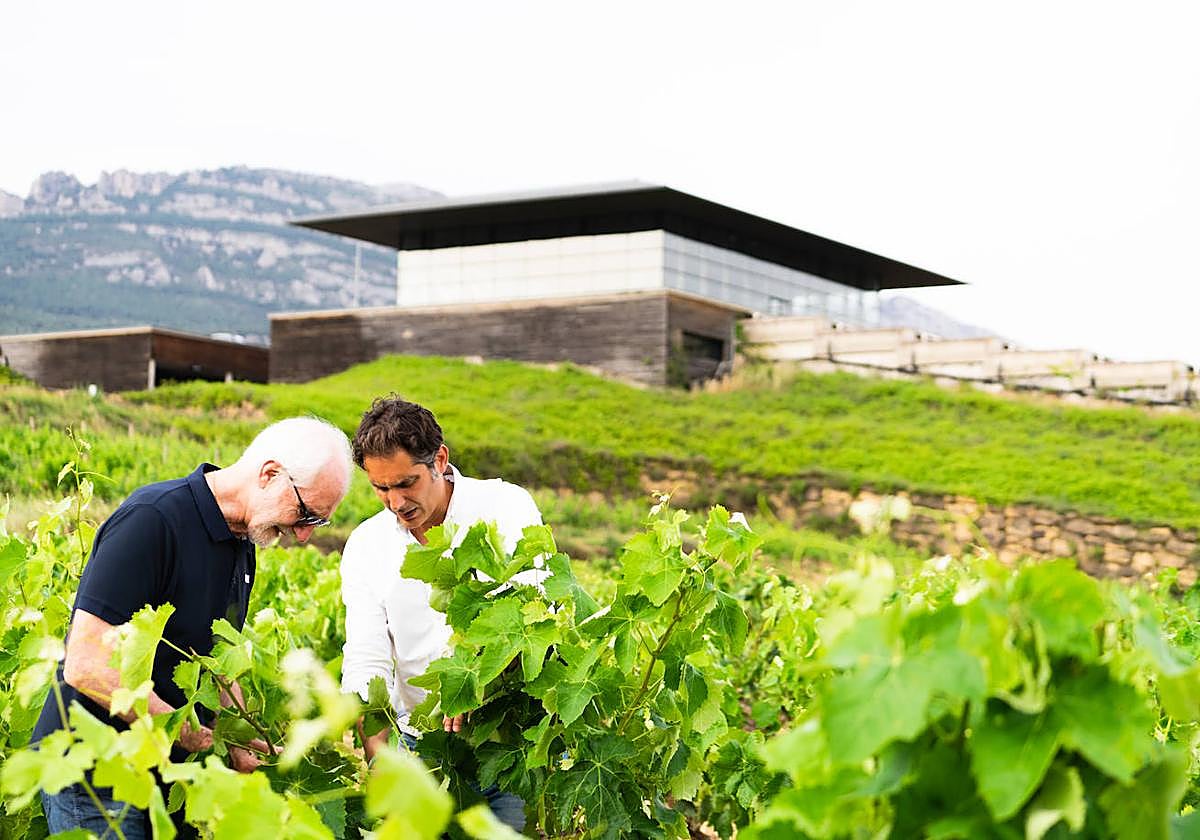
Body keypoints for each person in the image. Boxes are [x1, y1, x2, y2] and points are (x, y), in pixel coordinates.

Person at [33, 416, 353, 839]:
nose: (303, 535)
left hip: (170, 775)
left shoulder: (243, 544)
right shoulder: (153, 520)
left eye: (319, 522)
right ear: (270, 474)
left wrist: (236, 734)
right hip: (93, 772)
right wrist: (181, 727)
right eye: (305, 513)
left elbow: (215, 658)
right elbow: (86, 663)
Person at [341, 395, 540, 832]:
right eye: (381, 488)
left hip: (506, 742)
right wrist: (375, 745)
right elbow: (366, 653)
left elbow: (533, 605)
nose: (395, 502)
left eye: (406, 483)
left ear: (439, 460)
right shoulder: (366, 545)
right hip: (422, 751)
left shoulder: (506, 507)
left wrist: (466, 674)